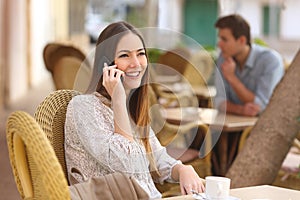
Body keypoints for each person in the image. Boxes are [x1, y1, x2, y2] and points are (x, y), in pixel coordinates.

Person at [64, 21, 205, 199]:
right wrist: (118, 99)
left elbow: (158, 158)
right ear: (106, 64)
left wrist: (183, 169)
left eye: (141, 54)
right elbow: (127, 165)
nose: (136, 63)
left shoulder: (132, 109)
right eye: (125, 55)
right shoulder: (83, 107)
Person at [214, 14, 284, 117]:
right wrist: (241, 110)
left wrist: (232, 78)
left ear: (242, 40)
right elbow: (219, 101)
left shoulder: (270, 61)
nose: (219, 44)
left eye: (224, 39)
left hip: (264, 127)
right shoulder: (223, 58)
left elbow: (262, 106)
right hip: (233, 124)